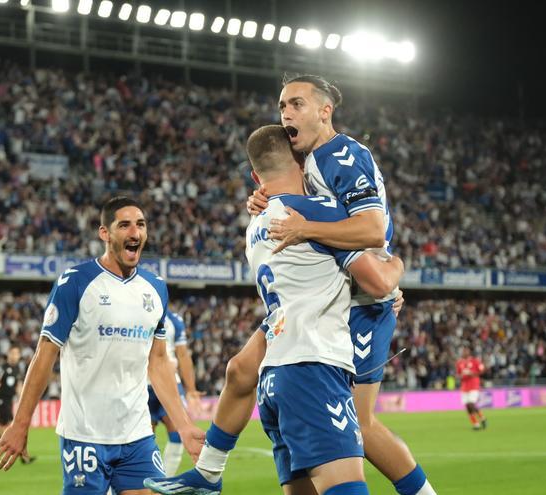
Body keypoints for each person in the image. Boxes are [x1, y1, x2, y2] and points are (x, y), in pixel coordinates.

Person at [147, 126, 405, 495]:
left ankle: (208, 472)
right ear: (303, 161)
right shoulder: (320, 213)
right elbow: (378, 279)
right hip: (312, 367)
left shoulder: (255, 227)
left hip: (273, 380)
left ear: (256, 177)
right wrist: (396, 268)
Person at [0, 196, 205, 494]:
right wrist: (20, 423)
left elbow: (158, 362)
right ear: (105, 233)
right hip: (84, 434)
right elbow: (44, 355)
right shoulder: (75, 282)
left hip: (137, 435)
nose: (135, 233)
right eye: (124, 225)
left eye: (140, 225)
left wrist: (183, 424)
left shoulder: (156, 288)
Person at [148, 309, 202, 476]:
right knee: (143, 437)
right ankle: (142, 482)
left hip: (171, 381)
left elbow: (183, 355)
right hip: (141, 382)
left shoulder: (174, 319)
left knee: (178, 433)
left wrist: (191, 389)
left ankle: (163, 482)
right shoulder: (134, 310)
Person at [0, 344, 36, 464]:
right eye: (13, 353)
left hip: (9, 402)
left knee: (1, 429)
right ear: (9, 354)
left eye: (17, 354)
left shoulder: (17, 370)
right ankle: (23, 457)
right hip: (2, 402)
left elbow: (19, 388)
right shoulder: (2, 369)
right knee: (13, 427)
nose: (15, 356)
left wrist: (25, 400)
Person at [456, 346, 487, 430]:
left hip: (474, 385)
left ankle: (482, 417)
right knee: (467, 406)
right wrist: (460, 376)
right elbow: (458, 374)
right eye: (463, 351)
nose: (464, 352)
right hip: (464, 386)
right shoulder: (459, 363)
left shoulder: (475, 361)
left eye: (466, 351)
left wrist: (472, 373)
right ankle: (475, 424)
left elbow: (482, 370)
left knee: (471, 403)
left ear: (469, 352)